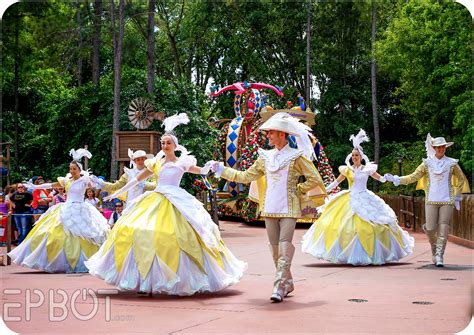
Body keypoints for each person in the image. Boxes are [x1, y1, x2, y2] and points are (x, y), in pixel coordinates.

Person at [85, 113, 246, 295]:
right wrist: (117, 192)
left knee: (183, 234)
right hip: (156, 198)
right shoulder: (155, 163)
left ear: (175, 145)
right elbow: (136, 180)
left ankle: (182, 277)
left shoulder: (182, 163)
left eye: (168, 143)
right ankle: (144, 279)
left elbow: (201, 171)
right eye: (163, 143)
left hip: (177, 200)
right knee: (136, 229)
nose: (165, 145)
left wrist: (213, 167)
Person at [210, 112, 326, 303]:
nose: (268, 136)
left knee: (284, 246)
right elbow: (246, 176)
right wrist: (222, 170)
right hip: (270, 208)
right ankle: (287, 281)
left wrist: (299, 188)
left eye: (271, 133)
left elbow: (315, 179)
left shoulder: (296, 157)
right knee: (274, 250)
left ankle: (279, 285)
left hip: (289, 208)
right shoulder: (265, 157)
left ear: (282, 134)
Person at [302, 129, 414, 266]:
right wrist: (324, 189)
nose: (354, 157)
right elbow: (336, 182)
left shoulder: (368, 169)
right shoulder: (346, 169)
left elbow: (380, 179)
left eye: (357, 155)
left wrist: (390, 178)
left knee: (376, 225)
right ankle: (345, 253)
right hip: (350, 197)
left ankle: (372, 253)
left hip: (365, 197)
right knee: (340, 226)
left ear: (361, 157)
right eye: (353, 155)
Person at [7, 148, 109, 273]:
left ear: (79, 170)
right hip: (66, 207)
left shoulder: (85, 180)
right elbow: (51, 185)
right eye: (70, 169)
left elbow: (97, 186)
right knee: (51, 232)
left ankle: (88, 260)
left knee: (87, 234)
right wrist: (35, 186)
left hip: (81, 208)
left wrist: (99, 182)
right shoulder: (66, 180)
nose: (71, 171)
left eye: (74, 169)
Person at [385, 134, 470, 267]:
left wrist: (457, 195)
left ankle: (440, 255)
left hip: (447, 200)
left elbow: (460, 179)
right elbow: (413, 176)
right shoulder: (427, 163)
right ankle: (434, 249)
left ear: (445, 148)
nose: (441, 149)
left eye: (443, 147)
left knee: (444, 227)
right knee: (430, 228)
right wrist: (397, 179)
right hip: (431, 200)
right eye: (438, 147)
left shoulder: (452, 163)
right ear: (434, 148)